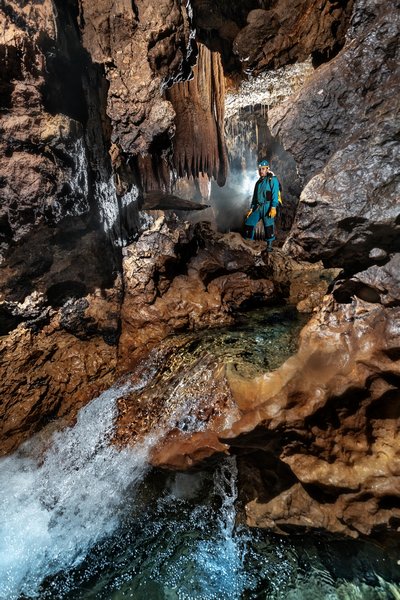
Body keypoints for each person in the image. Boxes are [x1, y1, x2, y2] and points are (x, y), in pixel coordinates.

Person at [244, 159, 279, 252]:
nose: (261, 171)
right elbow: (254, 198)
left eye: (263, 169)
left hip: (268, 206)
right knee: (249, 222)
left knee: (268, 226)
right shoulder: (258, 182)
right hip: (258, 207)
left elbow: (275, 194)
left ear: (267, 169)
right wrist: (251, 209)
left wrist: (273, 207)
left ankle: (269, 246)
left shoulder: (272, 180)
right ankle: (249, 243)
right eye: (260, 169)